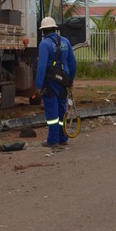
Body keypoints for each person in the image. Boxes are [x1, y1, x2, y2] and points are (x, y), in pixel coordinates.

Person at [35, 17, 77, 148]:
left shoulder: (44, 44)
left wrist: (38, 86)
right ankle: (62, 138)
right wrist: (71, 81)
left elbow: (41, 67)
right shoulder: (66, 42)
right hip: (64, 81)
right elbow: (73, 63)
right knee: (61, 110)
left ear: (43, 31)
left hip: (50, 82)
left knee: (52, 113)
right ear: (55, 28)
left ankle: (53, 140)